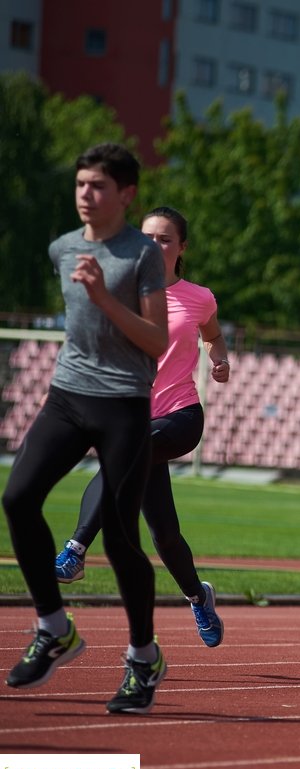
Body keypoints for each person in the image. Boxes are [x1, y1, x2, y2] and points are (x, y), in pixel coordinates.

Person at [2, 143, 169, 713]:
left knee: (121, 539)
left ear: (126, 194)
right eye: (79, 185)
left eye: (97, 186)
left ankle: (143, 659)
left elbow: (156, 341)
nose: (85, 195)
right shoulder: (62, 248)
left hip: (124, 404)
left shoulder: (142, 254)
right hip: (68, 397)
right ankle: (54, 627)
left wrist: (102, 296)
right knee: (18, 497)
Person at [54, 206, 231, 648]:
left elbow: (212, 333)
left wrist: (219, 359)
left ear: (181, 248)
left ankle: (75, 551)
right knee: (164, 534)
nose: (154, 245)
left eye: (165, 239)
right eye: (147, 237)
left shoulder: (198, 296)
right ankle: (198, 596)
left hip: (180, 417)